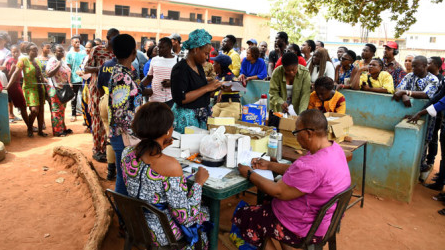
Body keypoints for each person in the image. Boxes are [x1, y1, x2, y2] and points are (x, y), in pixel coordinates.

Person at [233, 109, 351, 249]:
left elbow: (278, 192)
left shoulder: (312, 166)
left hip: (302, 227)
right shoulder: (334, 149)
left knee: (245, 215)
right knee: (266, 202)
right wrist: (270, 165)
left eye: (296, 132)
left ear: (308, 133)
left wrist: (249, 173)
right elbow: (299, 172)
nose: (295, 136)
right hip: (326, 220)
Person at [121, 102, 211, 249]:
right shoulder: (170, 166)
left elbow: (146, 167)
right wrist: (198, 183)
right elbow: (185, 217)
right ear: (167, 132)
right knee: (205, 212)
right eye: (171, 125)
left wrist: (160, 145)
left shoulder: (127, 153)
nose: (172, 127)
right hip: (160, 232)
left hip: (135, 223)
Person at [107, 34, 144, 195]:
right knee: (124, 179)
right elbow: (119, 113)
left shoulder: (123, 72)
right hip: (124, 136)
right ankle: (123, 216)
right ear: (133, 53)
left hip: (124, 135)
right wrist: (135, 133)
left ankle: (123, 214)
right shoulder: (122, 76)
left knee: (127, 177)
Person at [170, 29, 221, 133]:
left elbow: (199, 90)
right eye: (206, 54)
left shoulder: (198, 67)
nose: (207, 58)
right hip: (186, 121)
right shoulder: (180, 69)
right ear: (196, 49)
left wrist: (216, 88)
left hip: (200, 117)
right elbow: (181, 98)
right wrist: (206, 88)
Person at [85, 28, 120, 163]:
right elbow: (87, 68)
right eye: (113, 38)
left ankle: (107, 150)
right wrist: (99, 69)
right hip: (96, 90)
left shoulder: (117, 53)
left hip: (111, 92)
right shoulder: (97, 50)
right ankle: (97, 150)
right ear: (107, 38)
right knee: (97, 121)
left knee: (109, 121)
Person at [7, 43, 47, 137]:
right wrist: (8, 86)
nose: (36, 52)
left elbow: (41, 74)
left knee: (41, 110)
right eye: (33, 50)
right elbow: (16, 73)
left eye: (37, 50)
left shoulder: (37, 60)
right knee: (34, 110)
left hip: (40, 88)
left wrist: (45, 83)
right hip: (29, 88)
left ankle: (40, 131)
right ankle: (30, 128)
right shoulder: (23, 60)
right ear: (28, 51)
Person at [142, 37, 177, 107]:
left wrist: (172, 83)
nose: (159, 50)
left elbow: (183, 81)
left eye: (162, 47)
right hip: (154, 99)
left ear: (170, 47)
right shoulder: (154, 60)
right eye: (158, 47)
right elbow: (149, 78)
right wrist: (138, 87)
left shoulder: (177, 61)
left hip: (170, 100)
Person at [46, 45, 72, 137]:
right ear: (54, 52)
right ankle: (57, 131)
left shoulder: (62, 61)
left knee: (62, 110)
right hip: (55, 89)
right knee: (56, 110)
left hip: (63, 88)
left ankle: (62, 128)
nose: (62, 52)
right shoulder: (52, 61)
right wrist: (57, 65)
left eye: (62, 51)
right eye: (59, 51)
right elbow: (48, 73)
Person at [3, 45, 29, 126]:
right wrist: (12, 70)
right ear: (11, 52)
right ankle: (29, 125)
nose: (16, 53)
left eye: (17, 51)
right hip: (13, 85)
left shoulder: (19, 60)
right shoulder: (10, 61)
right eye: (14, 52)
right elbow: (7, 76)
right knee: (22, 106)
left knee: (22, 106)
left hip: (19, 82)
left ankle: (29, 125)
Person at [211, 54, 241, 120]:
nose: (213, 65)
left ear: (219, 65)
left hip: (229, 104)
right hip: (218, 104)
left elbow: (238, 87)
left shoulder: (229, 75)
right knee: (209, 122)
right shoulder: (218, 76)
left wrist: (223, 88)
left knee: (221, 126)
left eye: (214, 63)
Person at [66, 35, 86, 122]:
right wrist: (69, 80)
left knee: (85, 97)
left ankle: (86, 116)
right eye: (76, 42)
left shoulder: (84, 53)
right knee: (74, 97)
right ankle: (73, 114)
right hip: (74, 79)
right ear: (72, 43)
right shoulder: (69, 54)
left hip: (83, 78)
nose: (78, 43)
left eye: (79, 42)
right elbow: (68, 68)